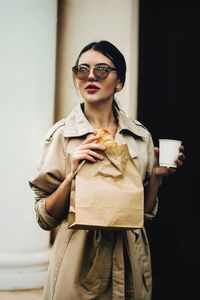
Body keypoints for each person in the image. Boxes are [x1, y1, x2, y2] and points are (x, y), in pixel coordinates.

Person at [29, 40, 185, 300]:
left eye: (101, 70)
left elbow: (142, 215)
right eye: (82, 70)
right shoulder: (62, 136)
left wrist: (156, 180)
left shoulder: (139, 136)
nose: (90, 76)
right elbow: (45, 218)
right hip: (78, 267)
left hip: (131, 265)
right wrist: (72, 175)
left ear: (119, 82)